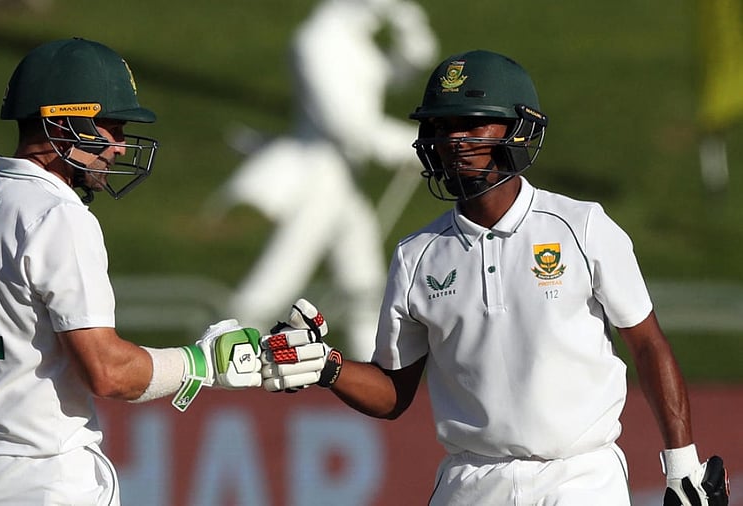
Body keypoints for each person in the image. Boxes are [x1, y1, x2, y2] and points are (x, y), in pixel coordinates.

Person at [259, 50, 730, 505]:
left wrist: (682, 464)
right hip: (471, 480)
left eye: (472, 122)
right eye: (442, 126)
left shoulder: (583, 226)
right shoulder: (415, 256)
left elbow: (647, 344)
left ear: (516, 127)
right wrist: (328, 367)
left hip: (581, 476)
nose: (454, 140)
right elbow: (392, 394)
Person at [0, 37, 262, 506]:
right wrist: (203, 362)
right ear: (62, 120)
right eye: (110, 127)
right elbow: (108, 372)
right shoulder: (57, 214)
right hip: (40, 480)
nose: (118, 147)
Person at [209, 0, 437, 361]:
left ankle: (379, 372)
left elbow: (397, 75)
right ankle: (221, 354)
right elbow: (345, 124)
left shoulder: (356, 40)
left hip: (346, 185)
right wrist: (414, 148)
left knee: (365, 288)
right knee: (276, 283)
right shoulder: (316, 40)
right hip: (318, 180)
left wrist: (412, 33)